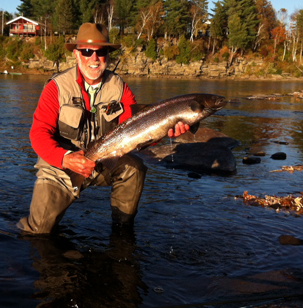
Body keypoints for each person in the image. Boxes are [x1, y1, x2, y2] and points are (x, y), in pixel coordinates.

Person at [17, 23, 189, 234]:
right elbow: (38, 133)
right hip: (60, 166)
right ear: (76, 54)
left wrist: (164, 131)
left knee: (134, 167)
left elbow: (138, 132)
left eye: (101, 52)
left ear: (108, 55)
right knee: (38, 231)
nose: (94, 58)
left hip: (103, 161)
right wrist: (65, 158)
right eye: (87, 51)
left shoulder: (120, 88)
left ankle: (122, 233)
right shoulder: (56, 87)